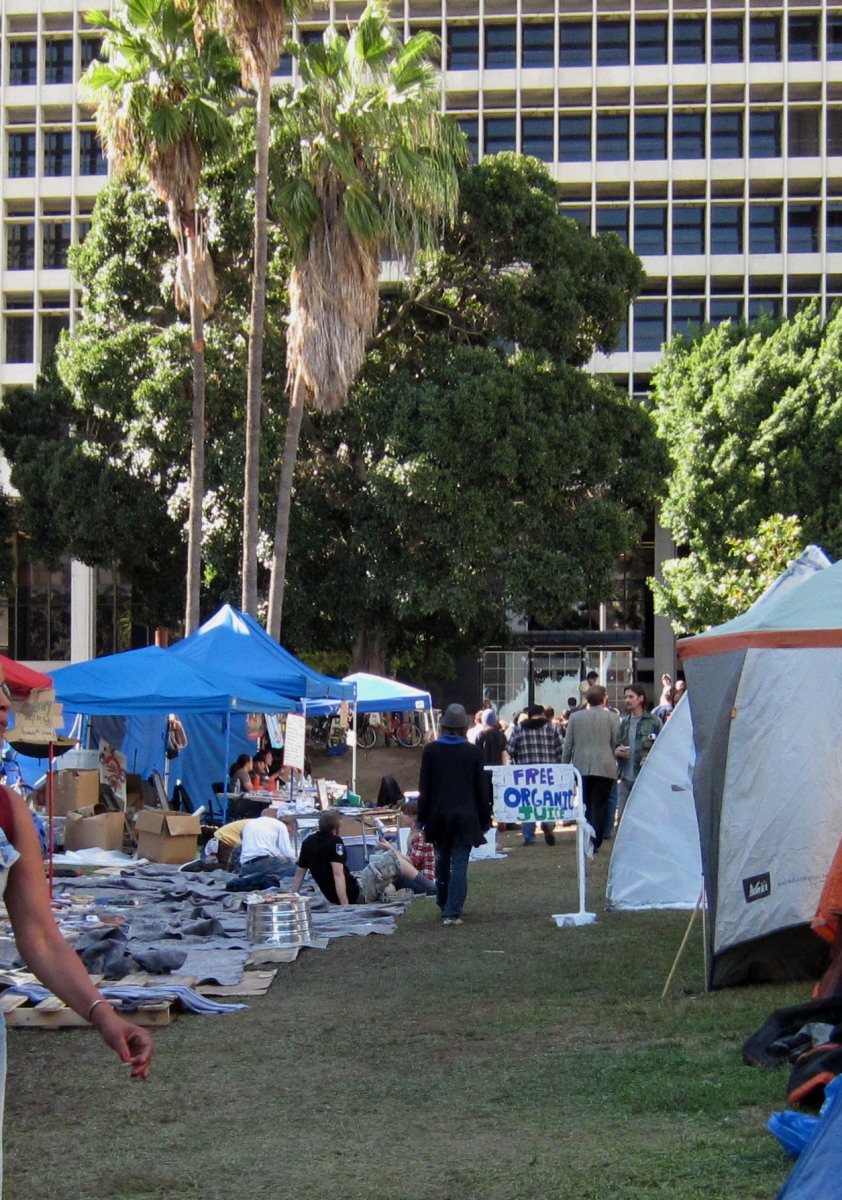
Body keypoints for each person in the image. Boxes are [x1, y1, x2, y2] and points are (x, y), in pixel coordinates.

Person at [0, 687, 152, 1189]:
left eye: (5, 699)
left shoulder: (7, 810)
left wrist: (103, 1016)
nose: (5, 708)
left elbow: (40, 936)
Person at [417, 703, 491, 926]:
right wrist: (485, 818)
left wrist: (421, 818)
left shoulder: (430, 751)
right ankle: (452, 910)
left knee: (442, 860)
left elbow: (425, 788)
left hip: (438, 816)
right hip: (466, 816)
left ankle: (443, 901)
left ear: (444, 726)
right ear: (464, 727)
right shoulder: (474, 752)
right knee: (459, 863)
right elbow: (481, 788)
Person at [289, 809, 435, 904]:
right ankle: (432, 888)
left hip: (334, 896)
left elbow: (299, 875)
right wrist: (346, 906)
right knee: (393, 858)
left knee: (385, 877)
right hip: (356, 892)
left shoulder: (308, 842)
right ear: (335, 829)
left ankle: (389, 893)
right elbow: (338, 874)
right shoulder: (334, 842)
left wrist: (291, 897)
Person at [562, 685, 620, 852]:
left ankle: (586, 837)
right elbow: (616, 743)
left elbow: (568, 745)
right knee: (601, 805)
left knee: (585, 802)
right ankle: (596, 840)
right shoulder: (612, 717)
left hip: (581, 766)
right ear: (604, 699)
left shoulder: (575, 717)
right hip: (605, 766)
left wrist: (565, 766)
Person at [506, 702, 564, 846]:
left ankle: (528, 835)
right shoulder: (553, 727)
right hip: (548, 772)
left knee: (528, 802)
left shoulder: (519, 729)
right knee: (547, 800)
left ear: (529, 715)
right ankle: (548, 824)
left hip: (526, 773)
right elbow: (561, 748)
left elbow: (510, 749)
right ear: (543, 714)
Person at [613, 685, 663, 828]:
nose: (627, 700)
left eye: (631, 697)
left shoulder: (654, 721)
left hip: (645, 779)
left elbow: (662, 746)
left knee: (646, 819)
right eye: (626, 697)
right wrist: (617, 751)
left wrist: (650, 757)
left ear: (640, 698)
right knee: (622, 820)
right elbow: (615, 745)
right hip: (625, 778)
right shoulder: (624, 722)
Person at [238, 810, 297, 879]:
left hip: (245, 866)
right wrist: (297, 861)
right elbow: (287, 853)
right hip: (263, 862)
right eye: (290, 831)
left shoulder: (250, 823)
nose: (291, 833)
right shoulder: (280, 825)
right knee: (295, 871)